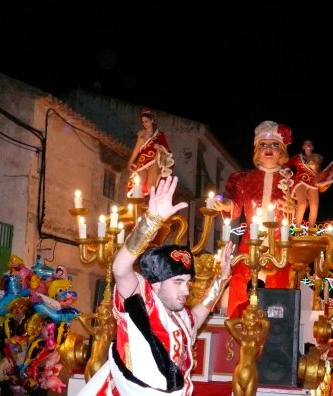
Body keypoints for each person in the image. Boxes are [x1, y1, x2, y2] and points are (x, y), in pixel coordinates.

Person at [78, 176, 233, 396]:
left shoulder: (181, 318)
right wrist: (152, 220)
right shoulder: (141, 303)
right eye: (178, 282)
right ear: (156, 285)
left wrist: (222, 279)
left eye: (188, 283)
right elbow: (120, 268)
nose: (186, 291)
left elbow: (199, 316)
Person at [213, 120, 294, 318]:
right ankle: (238, 334)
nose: (269, 149)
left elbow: (297, 213)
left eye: (275, 145)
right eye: (264, 145)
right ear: (257, 149)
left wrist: (293, 207)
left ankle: (275, 336)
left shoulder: (291, 181)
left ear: (282, 150)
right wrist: (225, 205)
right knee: (241, 288)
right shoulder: (244, 180)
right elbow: (237, 206)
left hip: (279, 245)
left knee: (276, 294)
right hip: (250, 244)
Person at [286, 139, 333, 229]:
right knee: (302, 204)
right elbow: (286, 165)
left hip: (313, 183)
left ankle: (311, 231)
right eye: (306, 144)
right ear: (303, 147)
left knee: (314, 206)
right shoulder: (297, 157)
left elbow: (318, 172)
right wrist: (288, 173)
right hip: (300, 181)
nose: (308, 145)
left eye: (310, 144)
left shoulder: (317, 158)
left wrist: (322, 176)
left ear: (313, 147)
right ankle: (297, 230)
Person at [126, 108, 174, 198]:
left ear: (152, 120)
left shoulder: (159, 135)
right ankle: (137, 205)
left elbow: (167, 149)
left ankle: (151, 207)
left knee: (150, 185)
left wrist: (159, 147)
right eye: (143, 122)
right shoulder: (141, 134)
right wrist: (130, 162)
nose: (144, 124)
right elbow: (136, 149)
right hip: (143, 160)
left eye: (146, 121)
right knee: (139, 182)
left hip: (154, 160)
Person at [225, 304, 270, 396]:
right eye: (247, 320)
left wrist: (257, 318)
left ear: (257, 321)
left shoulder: (258, 338)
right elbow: (228, 323)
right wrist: (243, 320)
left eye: (252, 320)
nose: (249, 323)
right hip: (238, 373)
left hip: (251, 374)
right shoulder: (242, 338)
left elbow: (266, 324)